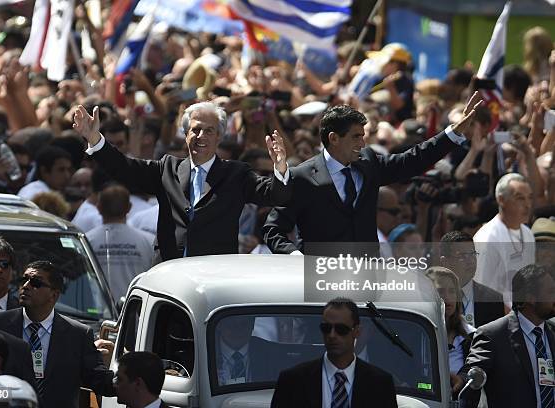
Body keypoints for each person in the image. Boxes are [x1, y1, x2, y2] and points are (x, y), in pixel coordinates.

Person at [263, 92, 482, 255]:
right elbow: (274, 229)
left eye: (363, 136)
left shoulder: (368, 163)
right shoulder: (302, 177)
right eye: (356, 136)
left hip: (366, 283)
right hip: (320, 285)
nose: (363, 142)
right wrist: (294, 257)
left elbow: (412, 160)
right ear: (334, 138)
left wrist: (453, 133)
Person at [73, 101, 291, 260]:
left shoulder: (236, 174)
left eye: (209, 131)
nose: (201, 136)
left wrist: (280, 167)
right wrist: (95, 139)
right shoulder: (167, 168)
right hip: (170, 275)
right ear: (185, 134)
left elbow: (274, 194)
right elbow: (125, 169)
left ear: (219, 137)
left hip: (213, 275)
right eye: (195, 130)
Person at [0, 260, 115, 407]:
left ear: (54, 295)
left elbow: (97, 379)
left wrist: (131, 380)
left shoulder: (78, 334)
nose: (25, 286)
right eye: (24, 280)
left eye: (35, 283)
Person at [271, 297, 397, 408]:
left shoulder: (380, 384)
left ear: (357, 331)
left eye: (341, 329)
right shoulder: (292, 381)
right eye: (326, 328)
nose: (332, 335)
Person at [458, 264, 555, 408]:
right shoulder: (492, 335)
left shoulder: (552, 332)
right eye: (551, 292)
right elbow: (472, 376)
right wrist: (464, 378)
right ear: (530, 298)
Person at [473, 173, 535, 308]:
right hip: (498, 319)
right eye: (520, 198)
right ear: (501, 200)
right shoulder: (487, 239)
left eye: (529, 198)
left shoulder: (528, 233)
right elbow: (481, 292)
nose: (528, 205)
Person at [86, 184, 155, 300]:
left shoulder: (87, 241)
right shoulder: (149, 241)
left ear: (98, 207)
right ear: (129, 207)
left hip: (97, 312)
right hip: (135, 310)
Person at [439, 231, 505, 328]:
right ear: (445, 262)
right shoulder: (432, 298)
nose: (470, 261)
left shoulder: (493, 300)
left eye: (472, 254)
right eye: (462, 256)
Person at [425, 267, 475, 376]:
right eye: (440, 291)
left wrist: (461, 379)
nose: (447, 297)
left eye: (452, 291)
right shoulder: (417, 333)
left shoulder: (473, 336)